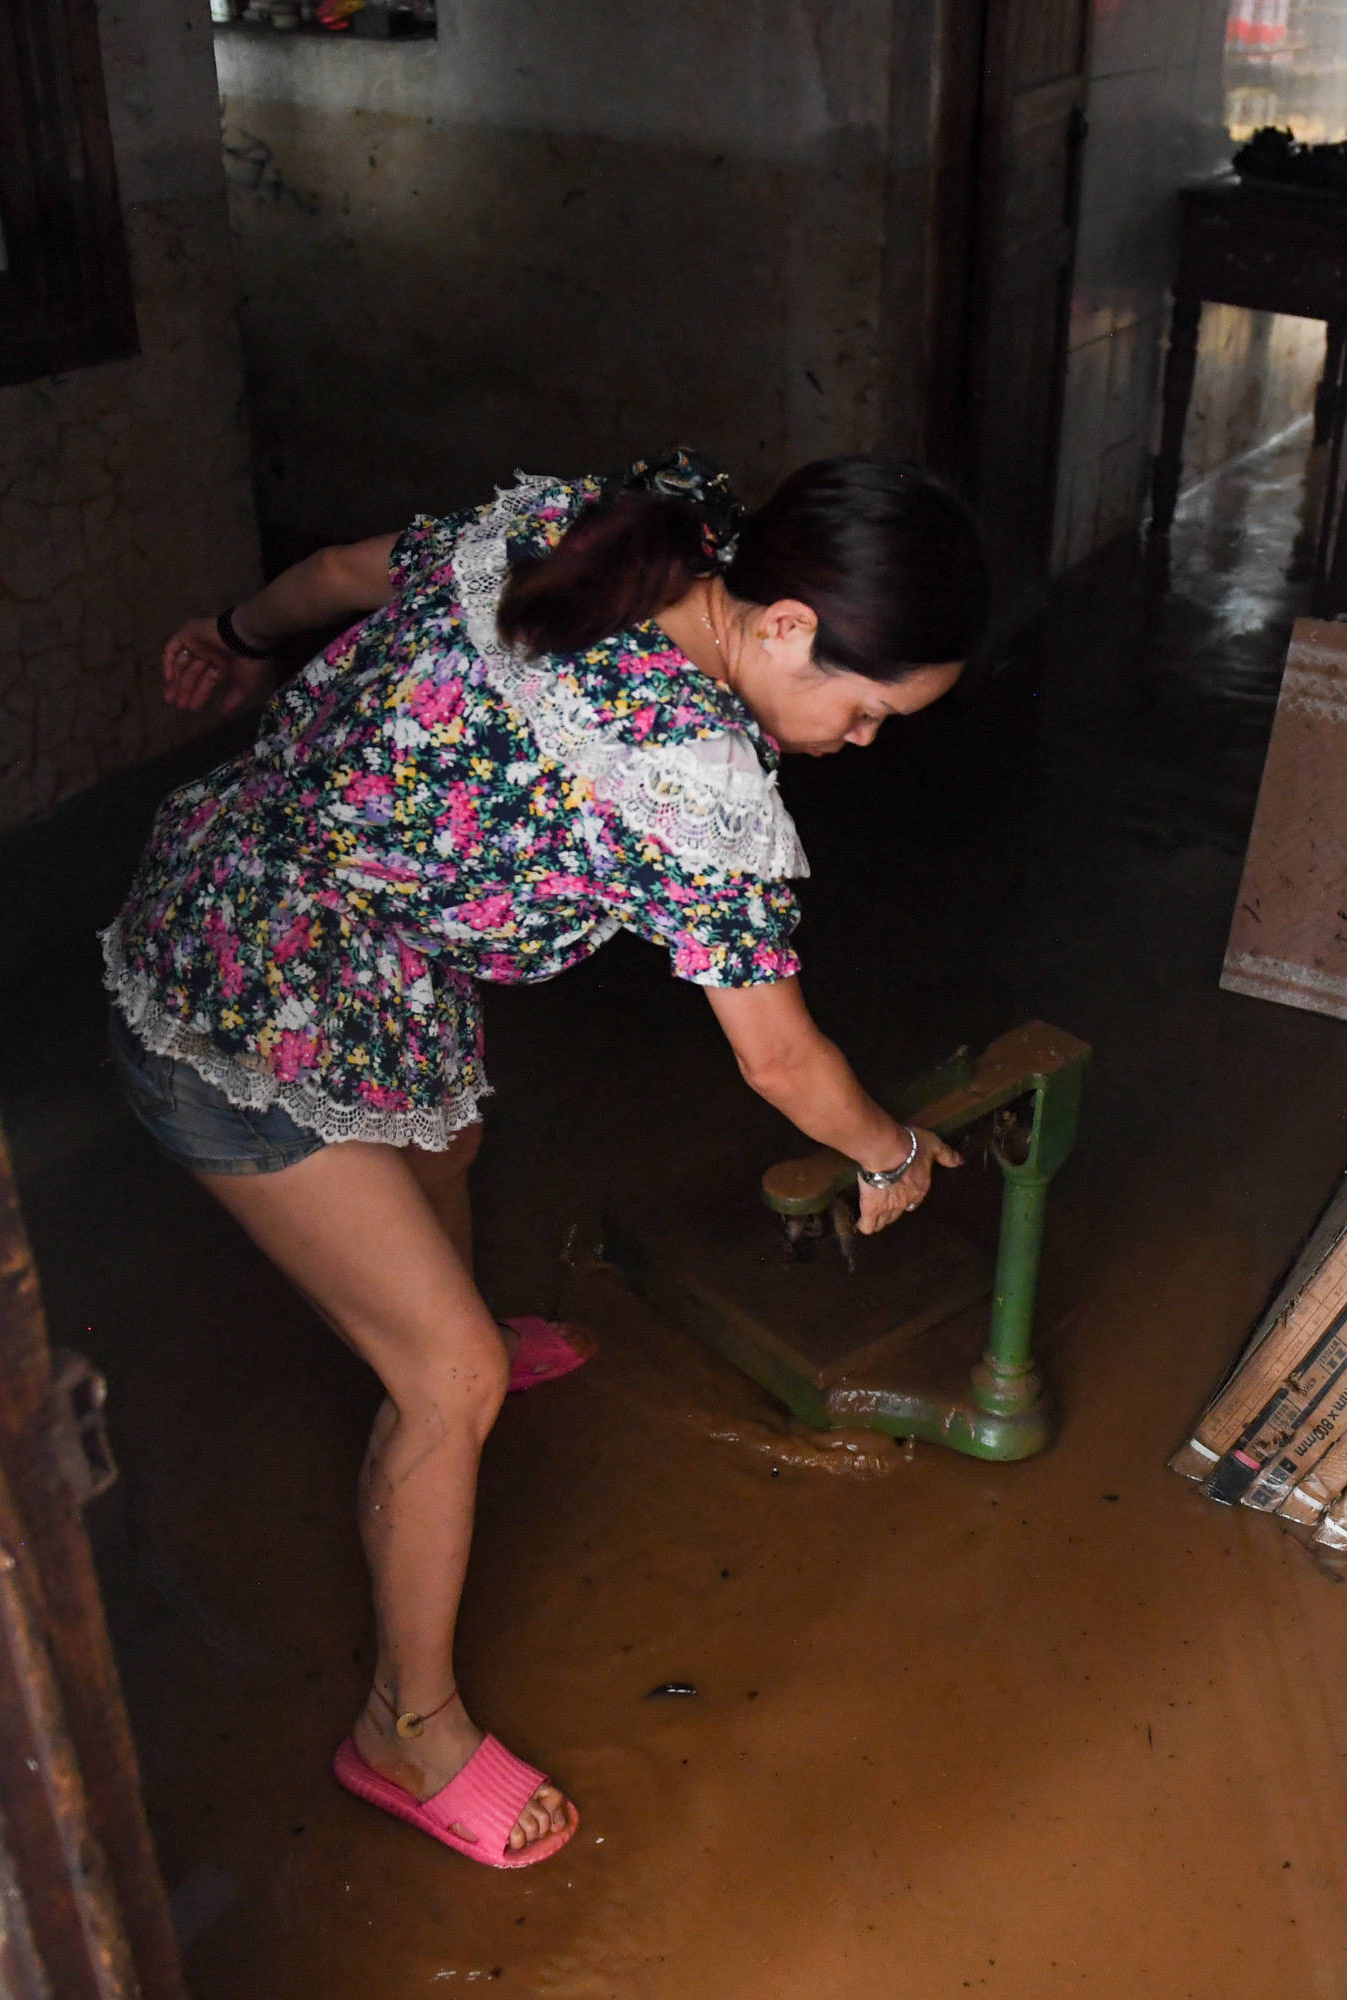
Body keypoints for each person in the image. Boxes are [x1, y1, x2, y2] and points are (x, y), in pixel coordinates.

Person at [100, 451, 986, 1869]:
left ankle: (457, 1317)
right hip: (232, 998)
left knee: (450, 1130)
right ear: (785, 629)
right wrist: (889, 1153)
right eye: (867, 711)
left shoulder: (633, 526)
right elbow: (780, 1062)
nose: (863, 742)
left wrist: (236, 638)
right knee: (443, 1376)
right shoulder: (688, 779)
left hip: (358, 950)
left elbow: (334, 575)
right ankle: (405, 1724)